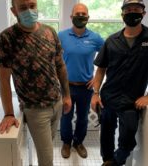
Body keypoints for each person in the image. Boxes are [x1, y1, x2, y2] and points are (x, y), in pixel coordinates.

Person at [91, 0, 148, 165]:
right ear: (122, 14)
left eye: (137, 9)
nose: (132, 12)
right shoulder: (112, 40)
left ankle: (116, 161)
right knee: (106, 132)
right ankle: (106, 160)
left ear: (143, 13)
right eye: (128, 9)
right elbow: (100, 70)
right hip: (108, 97)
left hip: (132, 101)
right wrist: (95, 93)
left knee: (128, 136)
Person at [0, 0, 72, 165]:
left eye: (32, 5)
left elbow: (60, 65)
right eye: (23, 7)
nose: (29, 10)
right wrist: (8, 113)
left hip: (56, 103)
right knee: (47, 159)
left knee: (48, 146)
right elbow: (3, 79)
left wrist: (67, 96)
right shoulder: (7, 38)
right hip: (35, 110)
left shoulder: (49, 32)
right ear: (14, 11)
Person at [58, 3, 105, 159]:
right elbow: (52, 58)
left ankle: (78, 142)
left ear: (88, 18)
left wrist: (97, 79)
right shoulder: (61, 36)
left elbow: (108, 57)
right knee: (66, 116)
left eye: (83, 14)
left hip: (86, 87)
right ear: (71, 17)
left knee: (83, 117)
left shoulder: (95, 38)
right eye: (77, 14)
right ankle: (66, 142)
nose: (80, 16)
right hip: (66, 86)